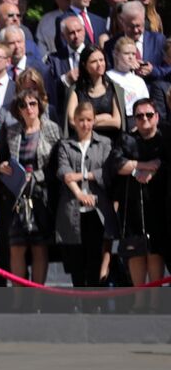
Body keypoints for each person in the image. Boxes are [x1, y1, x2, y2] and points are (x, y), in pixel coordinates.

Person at [0, 89, 61, 290]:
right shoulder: (13, 130)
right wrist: (2, 167)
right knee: (16, 247)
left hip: (41, 196)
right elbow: (4, 158)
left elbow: (58, 165)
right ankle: (19, 297)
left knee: (39, 248)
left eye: (32, 104)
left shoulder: (51, 129)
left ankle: (37, 296)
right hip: (17, 197)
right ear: (18, 110)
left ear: (39, 106)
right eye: (23, 105)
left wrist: (36, 176)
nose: (29, 109)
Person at [110, 98, 166, 311]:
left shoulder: (164, 138)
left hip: (158, 202)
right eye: (139, 115)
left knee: (155, 251)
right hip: (132, 203)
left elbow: (165, 162)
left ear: (157, 117)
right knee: (136, 252)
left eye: (148, 115)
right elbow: (116, 162)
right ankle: (140, 301)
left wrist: (154, 169)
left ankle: (154, 302)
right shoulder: (126, 139)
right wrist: (140, 168)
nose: (144, 119)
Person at [53, 101, 115, 289]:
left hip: (97, 209)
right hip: (73, 209)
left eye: (89, 120)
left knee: (94, 256)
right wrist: (79, 193)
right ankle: (78, 299)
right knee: (76, 259)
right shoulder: (65, 145)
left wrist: (84, 175)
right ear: (74, 121)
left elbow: (107, 171)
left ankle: (95, 302)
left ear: (94, 120)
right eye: (81, 120)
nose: (85, 124)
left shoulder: (104, 143)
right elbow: (64, 171)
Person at [66, 46, 124, 137]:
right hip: (84, 141)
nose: (99, 64)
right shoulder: (76, 90)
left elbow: (116, 122)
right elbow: (72, 121)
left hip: (110, 142)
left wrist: (84, 121)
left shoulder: (113, 89)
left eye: (101, 60)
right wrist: (103, 118)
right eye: (94, 62)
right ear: (85, 65)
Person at [107, 36, 151, 119]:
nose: (131, 57)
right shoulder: (108, 77)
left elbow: (145, 106)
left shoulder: (139, 81)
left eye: (133, 54)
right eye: (126, 53)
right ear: (115, 54)